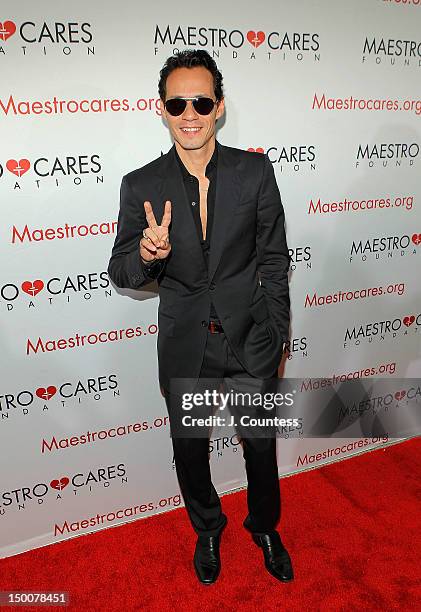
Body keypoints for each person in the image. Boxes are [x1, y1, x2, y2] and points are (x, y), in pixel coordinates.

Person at [108, 49, 293, 585]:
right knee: (190, 453)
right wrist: (147, 255)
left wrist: (278, 332)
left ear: (219, 107)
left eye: (201, 101)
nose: (189, 113)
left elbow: (274, 258)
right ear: (160, 109)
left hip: (252, 341)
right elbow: (121, 271)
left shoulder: (254, 170)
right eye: (177, 102)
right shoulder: (140, 185)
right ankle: (208, 527)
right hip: (187, 344)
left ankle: (264, 526)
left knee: (261, 447)